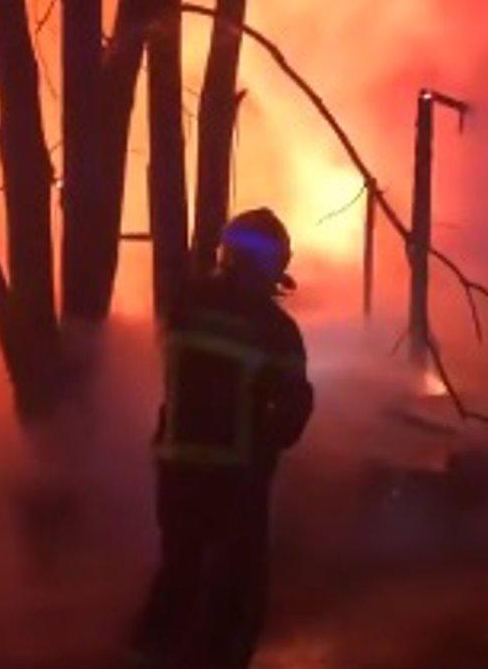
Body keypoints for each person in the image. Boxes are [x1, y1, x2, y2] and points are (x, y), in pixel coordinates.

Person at [130, 208, 314, 669]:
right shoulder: (275, 330)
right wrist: (270, 440)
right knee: (237, 595)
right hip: (236, 476)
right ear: (276, 264)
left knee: (179, 579)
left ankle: (146, 658)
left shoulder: (184, 305)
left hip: (175, 470)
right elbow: (291, 413)